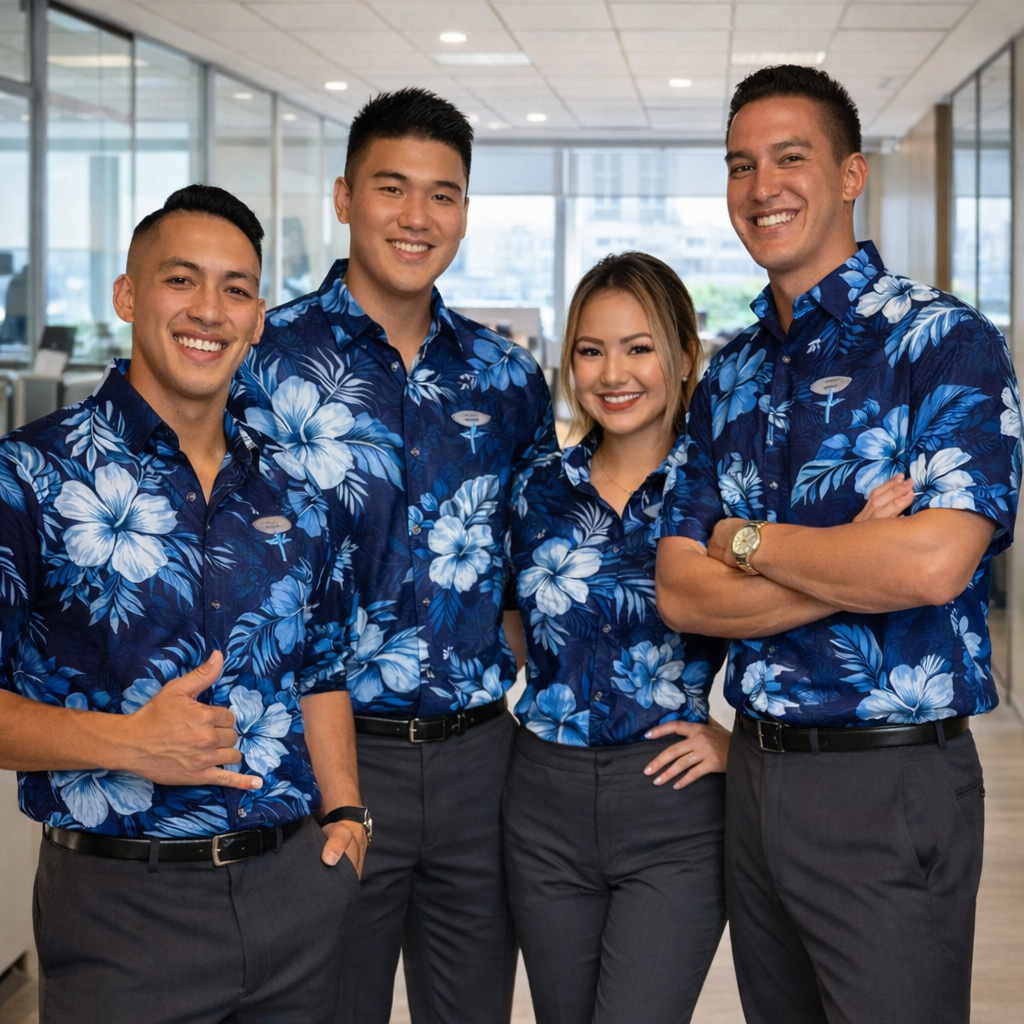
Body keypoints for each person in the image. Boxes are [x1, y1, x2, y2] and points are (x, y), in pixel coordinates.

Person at [655, 65, 1022, 1024]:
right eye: (741, 165)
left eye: (790, 157)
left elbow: (932, 564)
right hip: (759, 777)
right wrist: (848, 561)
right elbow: (684, 595)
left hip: (890, 784)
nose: (761, 186)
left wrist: (744, 539)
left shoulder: (944, 344)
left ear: (851, 175)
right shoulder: (728, 377)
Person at [0, 185, 367, 1024]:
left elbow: (322, 667)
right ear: (128, 295)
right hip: (124, 910)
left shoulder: (300, 488)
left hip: (293, 897)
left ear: (259, 316)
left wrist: (345, 812)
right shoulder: (30, 477)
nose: (210, 309)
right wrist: (126, 743)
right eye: (181, 280)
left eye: (236, 288)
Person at [229, 89, 557, 1024]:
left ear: (464, 212)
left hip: (478, 764)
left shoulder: (506, 377)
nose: (417, 217)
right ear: (344, 198)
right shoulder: (262, 357)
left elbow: (543, 555)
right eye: (391, 188)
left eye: (443, 195)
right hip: (315, 761)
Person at [502, 252, 729, 1024]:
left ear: (684, 356)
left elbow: (790, 616)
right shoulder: (537, 490)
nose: (613, 372)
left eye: (639, 347)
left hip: (671, 805)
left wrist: (740, 744)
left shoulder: (724, 491)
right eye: (591, 350)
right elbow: (510, 616)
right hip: (540, 801)